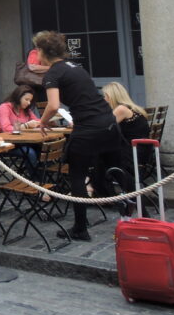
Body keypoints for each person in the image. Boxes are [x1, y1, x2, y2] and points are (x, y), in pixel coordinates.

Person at [36, 30, 122, 240]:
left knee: (77, 175)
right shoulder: (76, 68)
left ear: (42, 52)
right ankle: (144, 216)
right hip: (108, 122)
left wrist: (42, 121)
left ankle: (80, 228)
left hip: (88, 128)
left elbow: (53, 105)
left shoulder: (53, 74)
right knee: (120, 170)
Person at [102, 81, 150, 180]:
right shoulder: (133, 108)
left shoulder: (121, 109)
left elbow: (102, 127)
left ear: (111, 97)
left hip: (131, 154)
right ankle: (94, 184)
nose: (104, 99)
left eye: (105, 96)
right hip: (141, 151)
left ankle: (91, 184)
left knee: (94, 152)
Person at [0, 85, 42, 169]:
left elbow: (38, 121)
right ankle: (34, 176)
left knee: (42, 148)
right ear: (18, 97)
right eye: (26, 99)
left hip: (20, 141)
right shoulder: (4, 107)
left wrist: (47, 119)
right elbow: (6, 129)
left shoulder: (26, 110)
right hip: (3, 143)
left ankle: (38, 173)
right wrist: (26, 125)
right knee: (30, 152)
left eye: (30, 100)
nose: (29, 103)